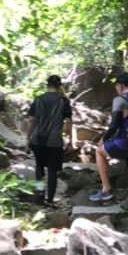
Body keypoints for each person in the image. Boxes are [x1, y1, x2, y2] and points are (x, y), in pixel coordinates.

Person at [89, 73, 128, 232]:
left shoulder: (120, 99)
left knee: (99, 151)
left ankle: (106, 189)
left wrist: (104, 139)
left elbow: (115, 125)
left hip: (126, 143)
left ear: (120, 86)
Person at [25, 75, 72, 206]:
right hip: (54, 141)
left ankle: (39, 194)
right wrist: (70, 139)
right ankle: (50, 199)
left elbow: (31, 120)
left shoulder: (38, 99)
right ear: (59, 86)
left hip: (37, 139)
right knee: (52, 171)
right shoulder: (63, 101)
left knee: (39, 168)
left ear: (47, 85)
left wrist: (27, 138)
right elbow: (68, 121)